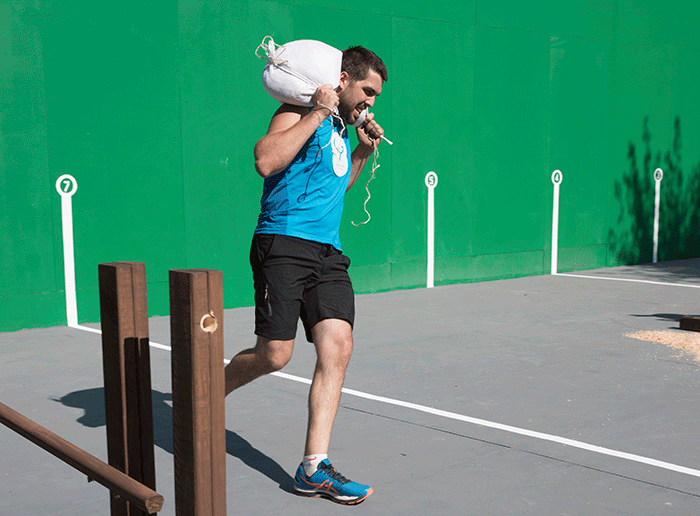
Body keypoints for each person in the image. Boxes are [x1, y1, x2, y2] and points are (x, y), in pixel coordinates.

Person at [224, 46, 388, 505]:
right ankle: (207, 394)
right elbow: (265, 160)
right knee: (275, 354)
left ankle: (314, 468)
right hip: (283, 243)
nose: (370, 104)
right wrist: (317, 111)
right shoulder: (297, 110)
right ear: (342, 80)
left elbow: (337, 188)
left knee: (338, 346)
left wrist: (360, 152)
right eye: (367, 92)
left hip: (328, 253)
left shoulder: (340, 129)